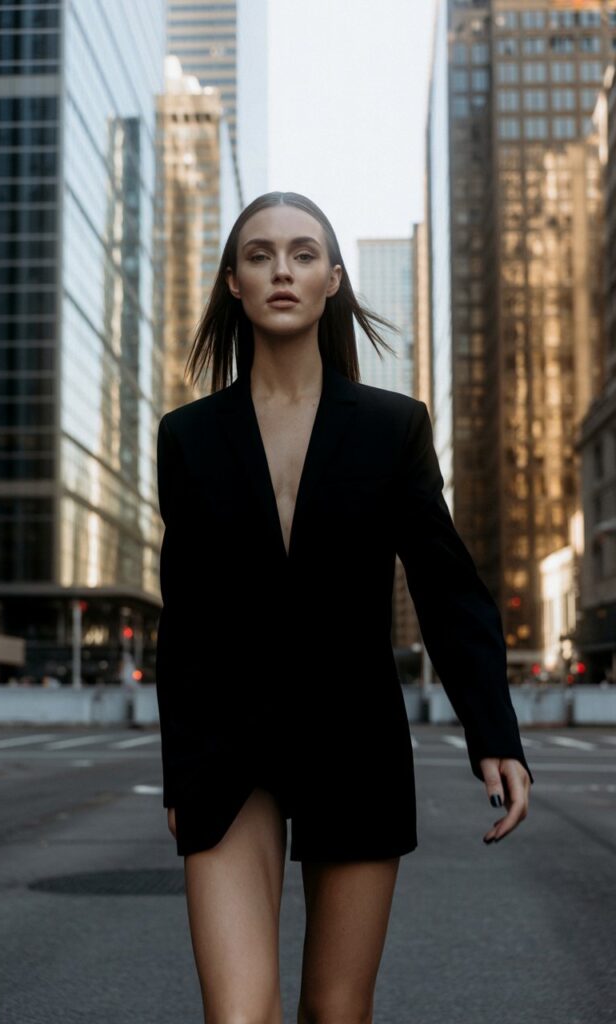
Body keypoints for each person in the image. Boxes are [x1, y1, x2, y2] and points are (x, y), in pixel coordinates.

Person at [155, 190, 534, 1024]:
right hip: (227, 748)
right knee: (240, 1015)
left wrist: (494, 734)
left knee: (335, 1011)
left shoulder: (392, 428)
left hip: (353, 739)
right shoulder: (187, 437)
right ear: (233, 284)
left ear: (333, 278)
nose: (280, 268)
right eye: (259, 255)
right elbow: (182, 619)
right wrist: (179, 763)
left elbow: (446, 588)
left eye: (300, 252)